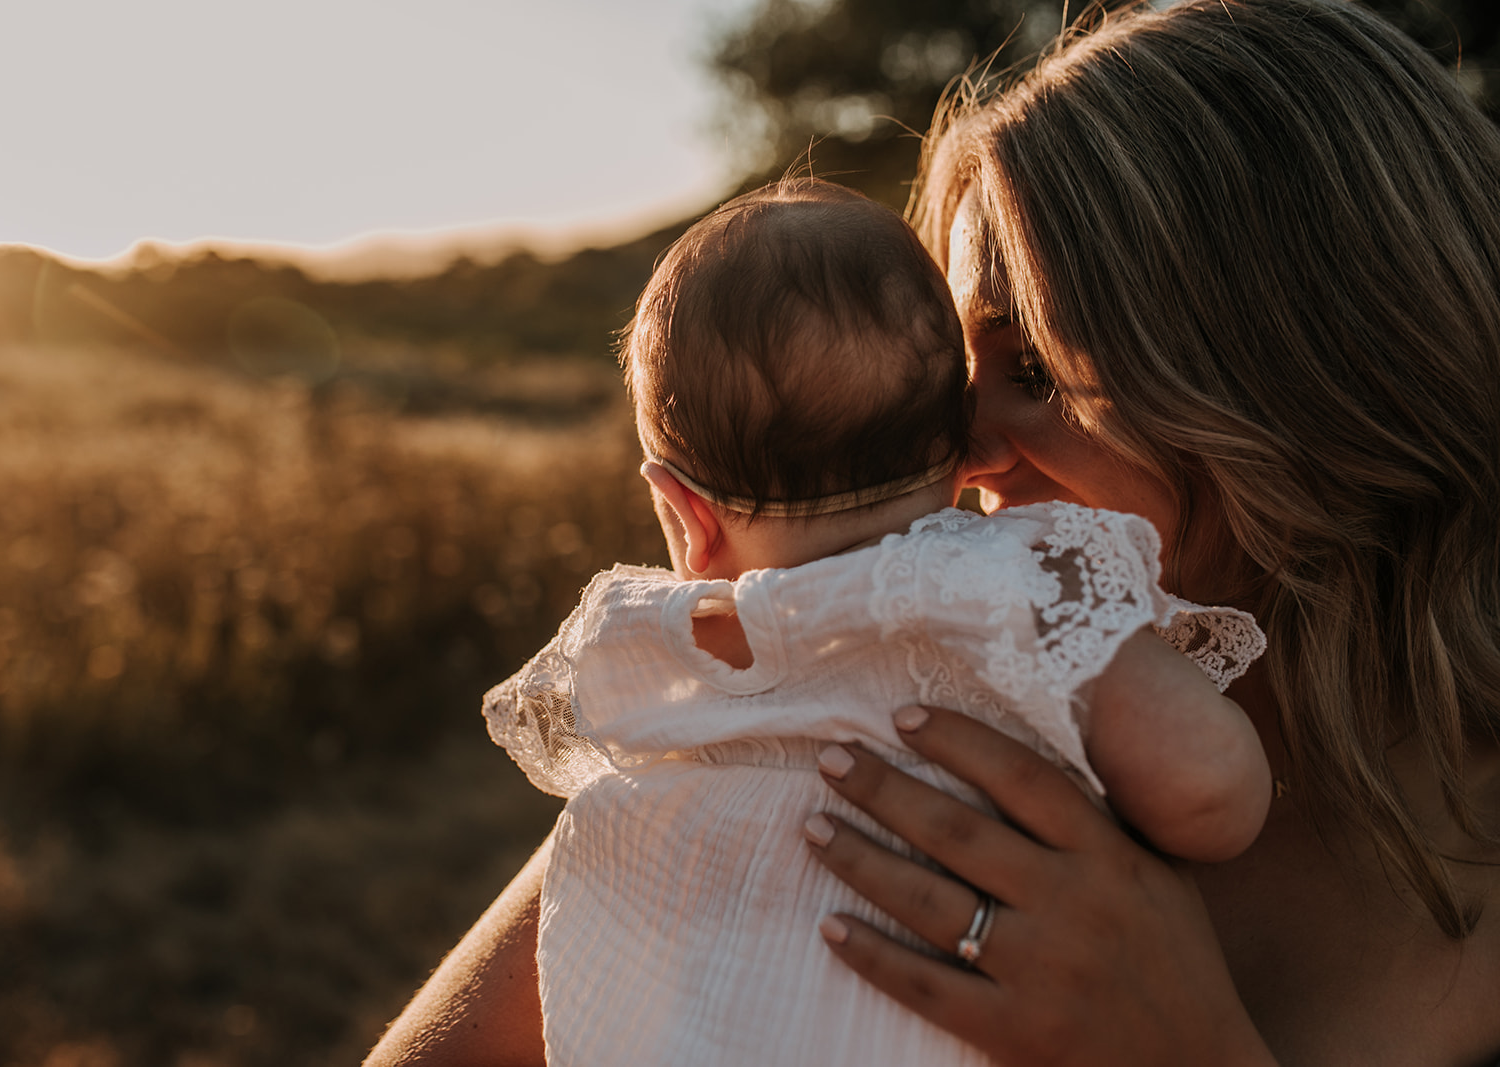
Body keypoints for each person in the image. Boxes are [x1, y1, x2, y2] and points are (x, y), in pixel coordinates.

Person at [363, 1, 1500, 1064]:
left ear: (1305, 374)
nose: (956, 455)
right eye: (952, 380)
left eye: (1036, 371)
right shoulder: (837, 708)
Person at [478, 178, 1268, 1066]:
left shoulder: (652, 643)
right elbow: (1209, 790)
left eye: (1038, 374)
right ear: (954, 441)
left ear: (685, 515)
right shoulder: (1014, 581)